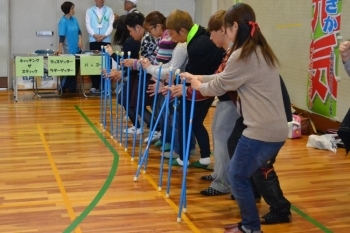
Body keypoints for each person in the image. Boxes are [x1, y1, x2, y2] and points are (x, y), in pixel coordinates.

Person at [182, 3, 288, 233]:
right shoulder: (258, 49)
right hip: (271, 128)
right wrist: (198, 76)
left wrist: (197, 84)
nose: (224, 34)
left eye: (226, 28)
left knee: (237, 175)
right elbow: (225, 78)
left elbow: (220, 85)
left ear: (234, 27)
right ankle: (250, 223)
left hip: (261, 129)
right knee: (244, 172)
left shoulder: (242, 54)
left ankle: (251, 226)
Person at [165, 9, 224, 168]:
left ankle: (183, 159)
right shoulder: (199, 37)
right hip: (208, 88)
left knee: (184, 122)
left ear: (182, 30)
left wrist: (179, 88)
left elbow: (192, 74)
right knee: (196, 123)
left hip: (203, 90)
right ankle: (205, 157)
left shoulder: (197, 45)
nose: (171, 37)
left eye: (172, 33)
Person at [199, 10, 240, 196]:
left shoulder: (235, 53)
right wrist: (197, 79)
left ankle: (223, 182)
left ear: (223, 30)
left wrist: (198, 83)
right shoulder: (228, 52)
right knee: (217, 133)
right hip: (226, 100)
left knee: (223, 139)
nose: (210, 37)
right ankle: (219, 173)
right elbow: (219, 77)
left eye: (212, 32)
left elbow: (222, 81)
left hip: (233, 102)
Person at [142, 11, 177, 144]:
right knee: (159, 109)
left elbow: (160, 62)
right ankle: (165, 138)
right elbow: (157, 59)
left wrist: (148, 66)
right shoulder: (162, 38)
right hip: (161, 78)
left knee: (163, 111)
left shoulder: (166, 40)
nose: (149, 33)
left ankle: (168, 140)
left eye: (150, 29)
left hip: (165, 80)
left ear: (158, 26)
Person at [123, 12, 158, 134]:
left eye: (130, 31)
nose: (130, 34)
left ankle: (156, 129)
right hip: (146, 75)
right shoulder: (146, 37)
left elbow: (146, 62)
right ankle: (156, 129)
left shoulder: (147, 38)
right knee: (138, 104)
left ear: (138, 27)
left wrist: (133, 63)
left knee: (138, 104)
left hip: (148, 76)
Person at [106, 15, 141, 131]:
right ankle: (141, 125)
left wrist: (112, 55)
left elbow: (125, 63)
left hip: (134, 75)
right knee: (128, 100)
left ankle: (142, 126)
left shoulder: (130, 42)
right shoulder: (131, 41)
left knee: (126, 99)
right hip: (133, 73)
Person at [85, 0, 114, 93]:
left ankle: (105, 86)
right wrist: (94, 35)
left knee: (106, 63)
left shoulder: (109, 10)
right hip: (94, 40)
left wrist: (104, 35)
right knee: (94, 63)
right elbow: (87, 25)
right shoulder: (89, 11)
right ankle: (95, 86)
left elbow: (111, 25)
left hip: (106, 40)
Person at [56, 1, 82, 93]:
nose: (73, 10)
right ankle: (62, 87)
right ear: (67, 10)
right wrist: (60, 50)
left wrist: (80, 40)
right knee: (69, 70)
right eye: (72, 8)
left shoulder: (74, 20)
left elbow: (79, 32)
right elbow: (61, 37)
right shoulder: (63, 21)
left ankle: (72, 88)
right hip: (69, 50)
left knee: (75, 70)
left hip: (77, 49)